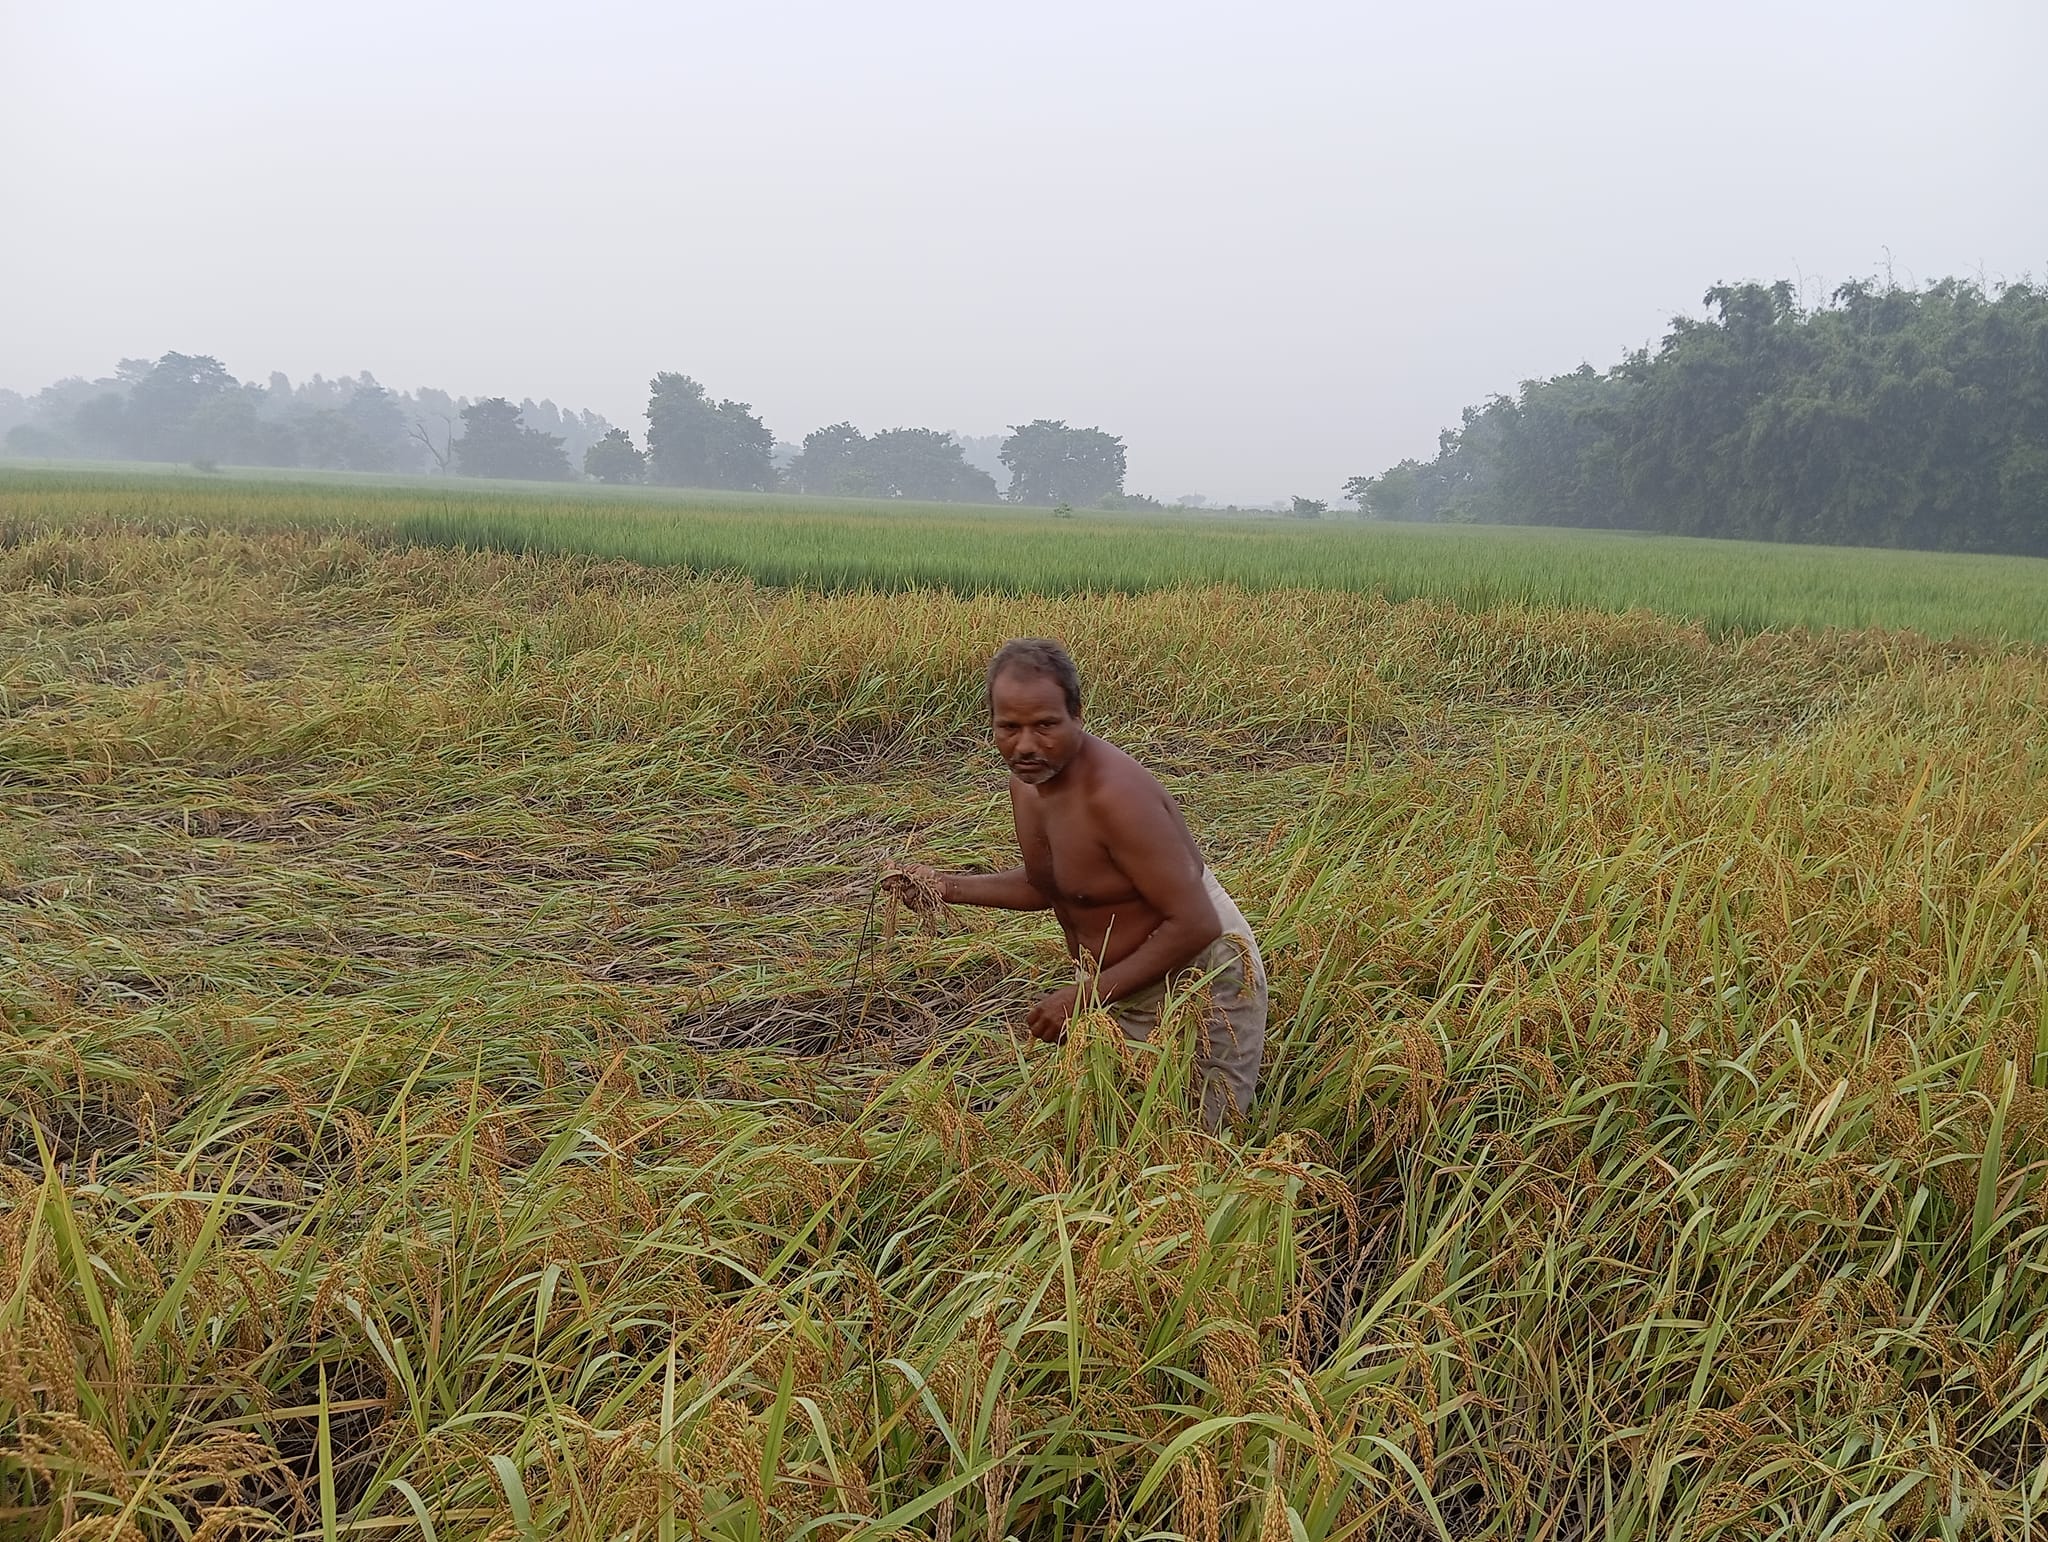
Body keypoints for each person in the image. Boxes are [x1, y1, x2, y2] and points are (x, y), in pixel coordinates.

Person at [889, 638, 1267, 1131]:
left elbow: (1195, 922)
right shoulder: (1029, 782)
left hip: (1200, 976)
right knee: (1119, 1125)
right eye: (1009, 727)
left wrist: (1083, 997)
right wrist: (947, 886)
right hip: (1122, 984)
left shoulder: (1115, 798)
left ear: (1077, 716)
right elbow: (1052, 886)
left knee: (1200, 1140)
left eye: (1045, 725)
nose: (1025, 744)